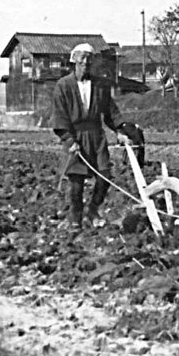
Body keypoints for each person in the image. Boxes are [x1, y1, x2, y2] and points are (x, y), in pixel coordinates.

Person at [48, 43, 130, 229]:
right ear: (74, 60)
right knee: (76, 184)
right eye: (82, 58)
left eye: (89, 59)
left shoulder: (101, 85)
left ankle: (93, 210)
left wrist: (120, 131)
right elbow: (59, 116)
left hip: (96, 137)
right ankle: (75, 218)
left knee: (104, 176)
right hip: (75, 137)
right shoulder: (63, 86)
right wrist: (69, 140)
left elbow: (110, 112)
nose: (85, 62)